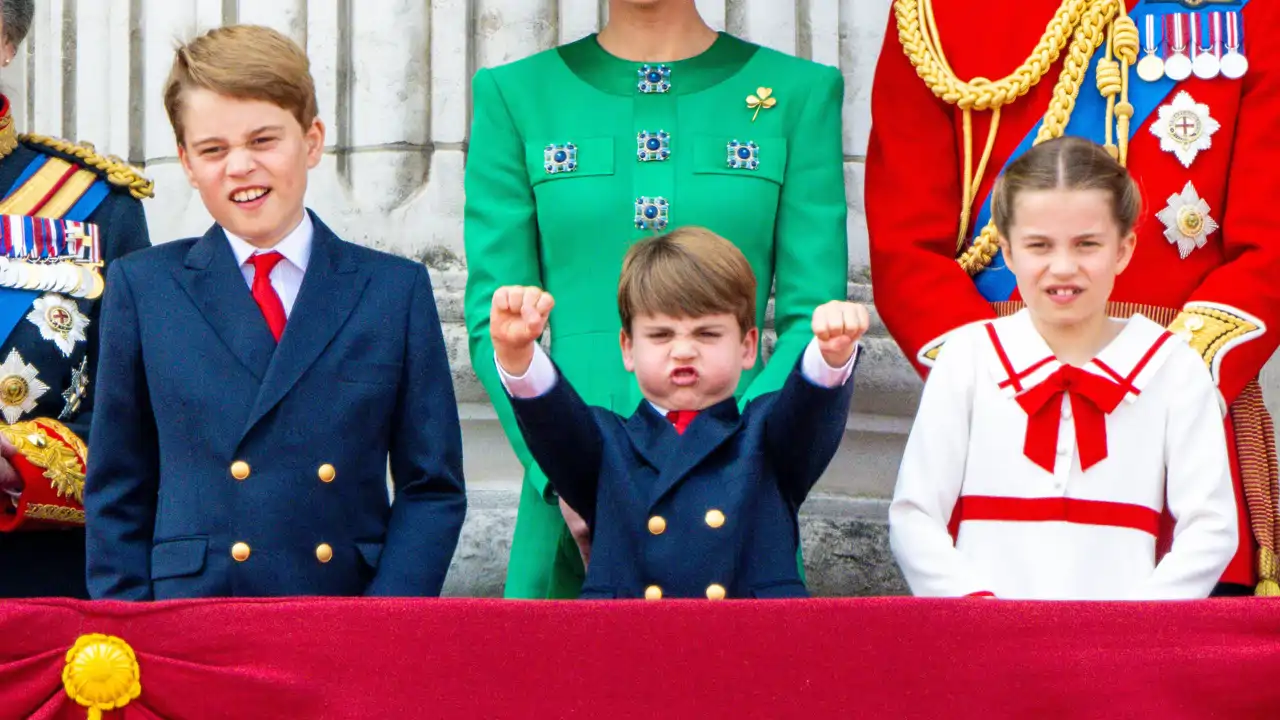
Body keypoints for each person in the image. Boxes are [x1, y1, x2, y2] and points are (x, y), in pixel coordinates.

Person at [867, 0, 1280, 595]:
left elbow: (1267, 248)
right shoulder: (936, 14)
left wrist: (1165, 382)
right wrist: (999, 382)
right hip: (998, 449)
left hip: (1178, 432)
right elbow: (906, 248)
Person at [465, 0, 848, 599]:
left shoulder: (798, 94)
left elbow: (813, 319)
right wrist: (565, 478)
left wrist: (742, 464)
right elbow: (499, 320)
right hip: (566, 501)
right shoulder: (516, 94)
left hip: (738, 508)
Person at [83, 24, 466, 600]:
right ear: (187, 163)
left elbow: (431, 486)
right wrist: (133, 631)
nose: (239, 166)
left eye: (263, 140)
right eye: (213, 149)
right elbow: (118, 487)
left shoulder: (392, 290)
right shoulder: (145, 288)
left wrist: (388, 622)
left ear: (312, 141)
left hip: (343, 610)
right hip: (193, 619)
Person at [888, 137, 1238, 599]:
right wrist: (974, 611)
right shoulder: (968, 358)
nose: (1063, 267)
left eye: (1087, 244)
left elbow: (1211, 527)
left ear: (1123, 249)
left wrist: (1136, 626)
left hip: (1120, 653)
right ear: (1008, 252)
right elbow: (914, 514)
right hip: (984, 644)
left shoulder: (1174, 367)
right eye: (1039, 245)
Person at [489, 228, 863, 599]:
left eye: (707, 334)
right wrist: (518, 354)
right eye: (661, 335)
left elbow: (809, 410)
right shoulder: (606, 444)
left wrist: (830, 354)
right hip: (631, 647)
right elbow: (554, 421)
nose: (683, 350)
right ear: (628, 348)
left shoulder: (766, 436)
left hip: (752, 649)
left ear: (748, 347)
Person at [0, 0, 153, 598]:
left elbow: (138, 409)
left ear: (8, 41)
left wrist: (22, 466)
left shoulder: (96, 206)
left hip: (29, 579)